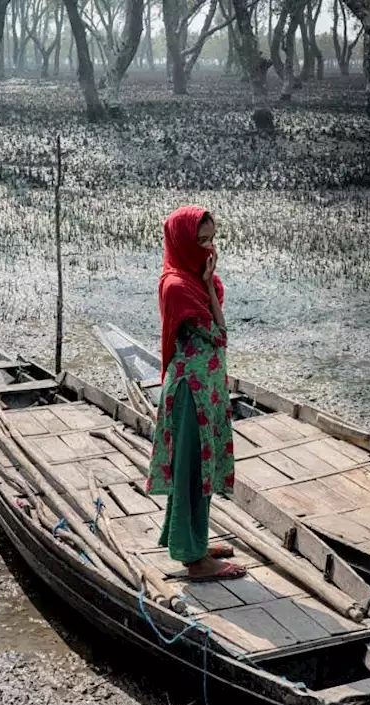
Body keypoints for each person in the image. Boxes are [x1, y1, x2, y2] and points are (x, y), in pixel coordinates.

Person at [145, 205, 245, 582]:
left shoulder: (197, 280)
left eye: (212, 239)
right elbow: (220, 334)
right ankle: (194, 558)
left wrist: (207, 283)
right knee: (191, 471)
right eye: (200, 240)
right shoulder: (177, 287)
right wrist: (207, 286)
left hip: (208, 391)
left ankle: (192, 541)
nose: (208, 247)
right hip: (191, 394)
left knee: (202, 467)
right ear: (183, 241)